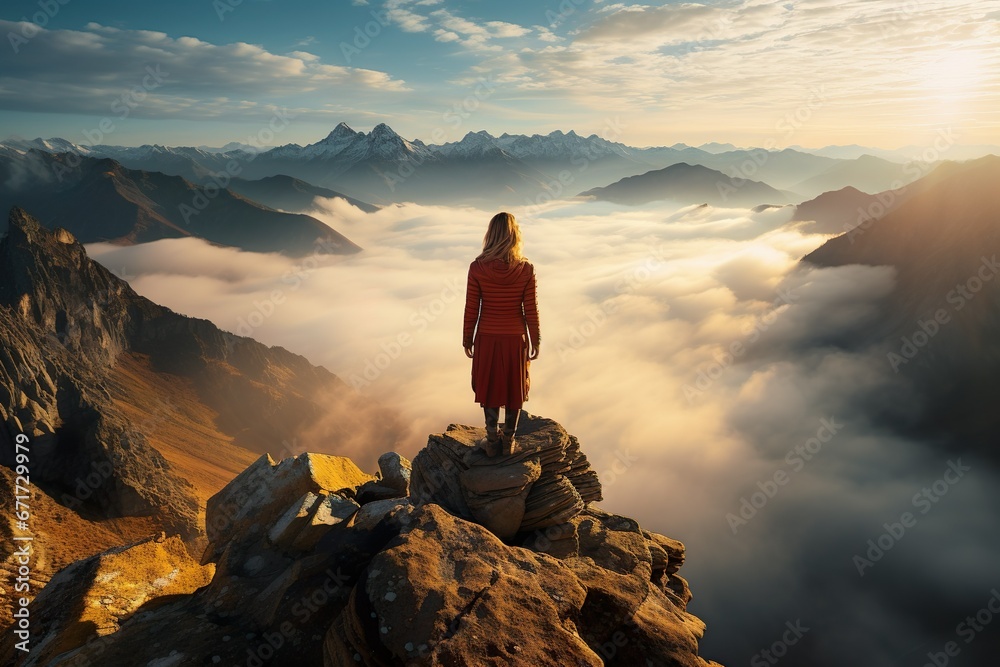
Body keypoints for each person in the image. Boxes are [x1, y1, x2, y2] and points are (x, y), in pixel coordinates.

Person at [463, 211, 540, 455]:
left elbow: (472, 307)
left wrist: (467, 338)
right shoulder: (525, 269)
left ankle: (491, 440)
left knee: (490, 384)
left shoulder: (477, 268)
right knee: (513, 387)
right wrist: (535, 339)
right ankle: (509, 440)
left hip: (486, 336)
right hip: (515, 338)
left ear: (490, 235)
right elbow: (531, 310)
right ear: (514, 236)